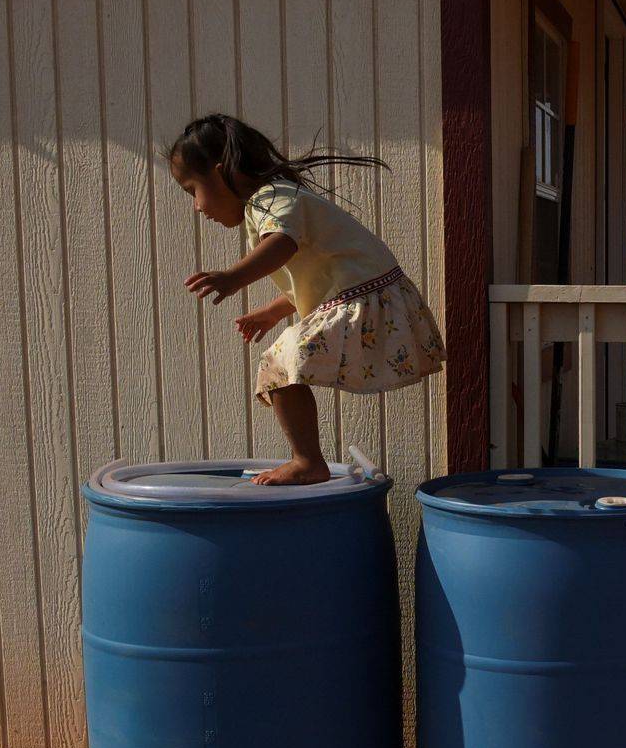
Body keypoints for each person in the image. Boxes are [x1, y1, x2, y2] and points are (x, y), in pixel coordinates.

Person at [170, 114, 445, 484]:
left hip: (365, 299)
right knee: (280, 365)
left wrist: (232, 277)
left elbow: (282, 245)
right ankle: (307, 459)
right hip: (366, 294)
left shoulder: (270, 200)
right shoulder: (279, 197)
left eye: (192, 191)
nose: (197, 207)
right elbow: (318, 276)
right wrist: (270, 312)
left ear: (222, 174)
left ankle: (307, 461)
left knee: (279, 364)